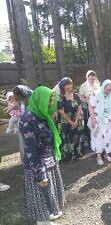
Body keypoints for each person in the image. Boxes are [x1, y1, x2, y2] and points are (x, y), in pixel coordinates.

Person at [19, 86, 65, 225]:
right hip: (37, 166)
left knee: (48, 194)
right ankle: (42, 222)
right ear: (40, 99)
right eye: (49, 100)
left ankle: (46, 219)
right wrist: (40, 174)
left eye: (52, 100)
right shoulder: (28, 119)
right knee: (40, 197)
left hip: (48, 161)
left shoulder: (41, 113)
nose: (51, 103)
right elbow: (31, 150)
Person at [57, 77, 85, 161]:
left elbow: (79, 108)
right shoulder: (60, 98)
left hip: (77, 120)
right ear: (63, 86)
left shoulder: (75, 95)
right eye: (67, 84)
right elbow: (61, 111)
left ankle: (77, 154)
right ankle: (68, 156)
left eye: (70, 83)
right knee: (67, 139)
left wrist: (75, 121)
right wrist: (70, 122)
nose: (70, 86)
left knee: (77, 138)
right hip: (65, 122)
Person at [88, 80, 111, 166]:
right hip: (97, 120)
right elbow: (91, 106)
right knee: (98, 137)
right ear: (103, 87)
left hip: (107, 121)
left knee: (108, 136)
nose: (108, 92)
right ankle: (98, 155)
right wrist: (92, 119)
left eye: (110, 90)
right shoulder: (96, 93)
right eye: (107, 90)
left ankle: (106, 153)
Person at [79, 70, 100, 145]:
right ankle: (89, 138)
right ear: (87, 77)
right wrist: (87, 100)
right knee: (88, 121)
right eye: (90, 76)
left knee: (96, 120)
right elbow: (80, 97)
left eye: (93, 76)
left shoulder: (97, 84)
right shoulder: (83, 85)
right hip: (87, 106)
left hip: (97, 106)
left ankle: (97, 136)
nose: (92, 78)